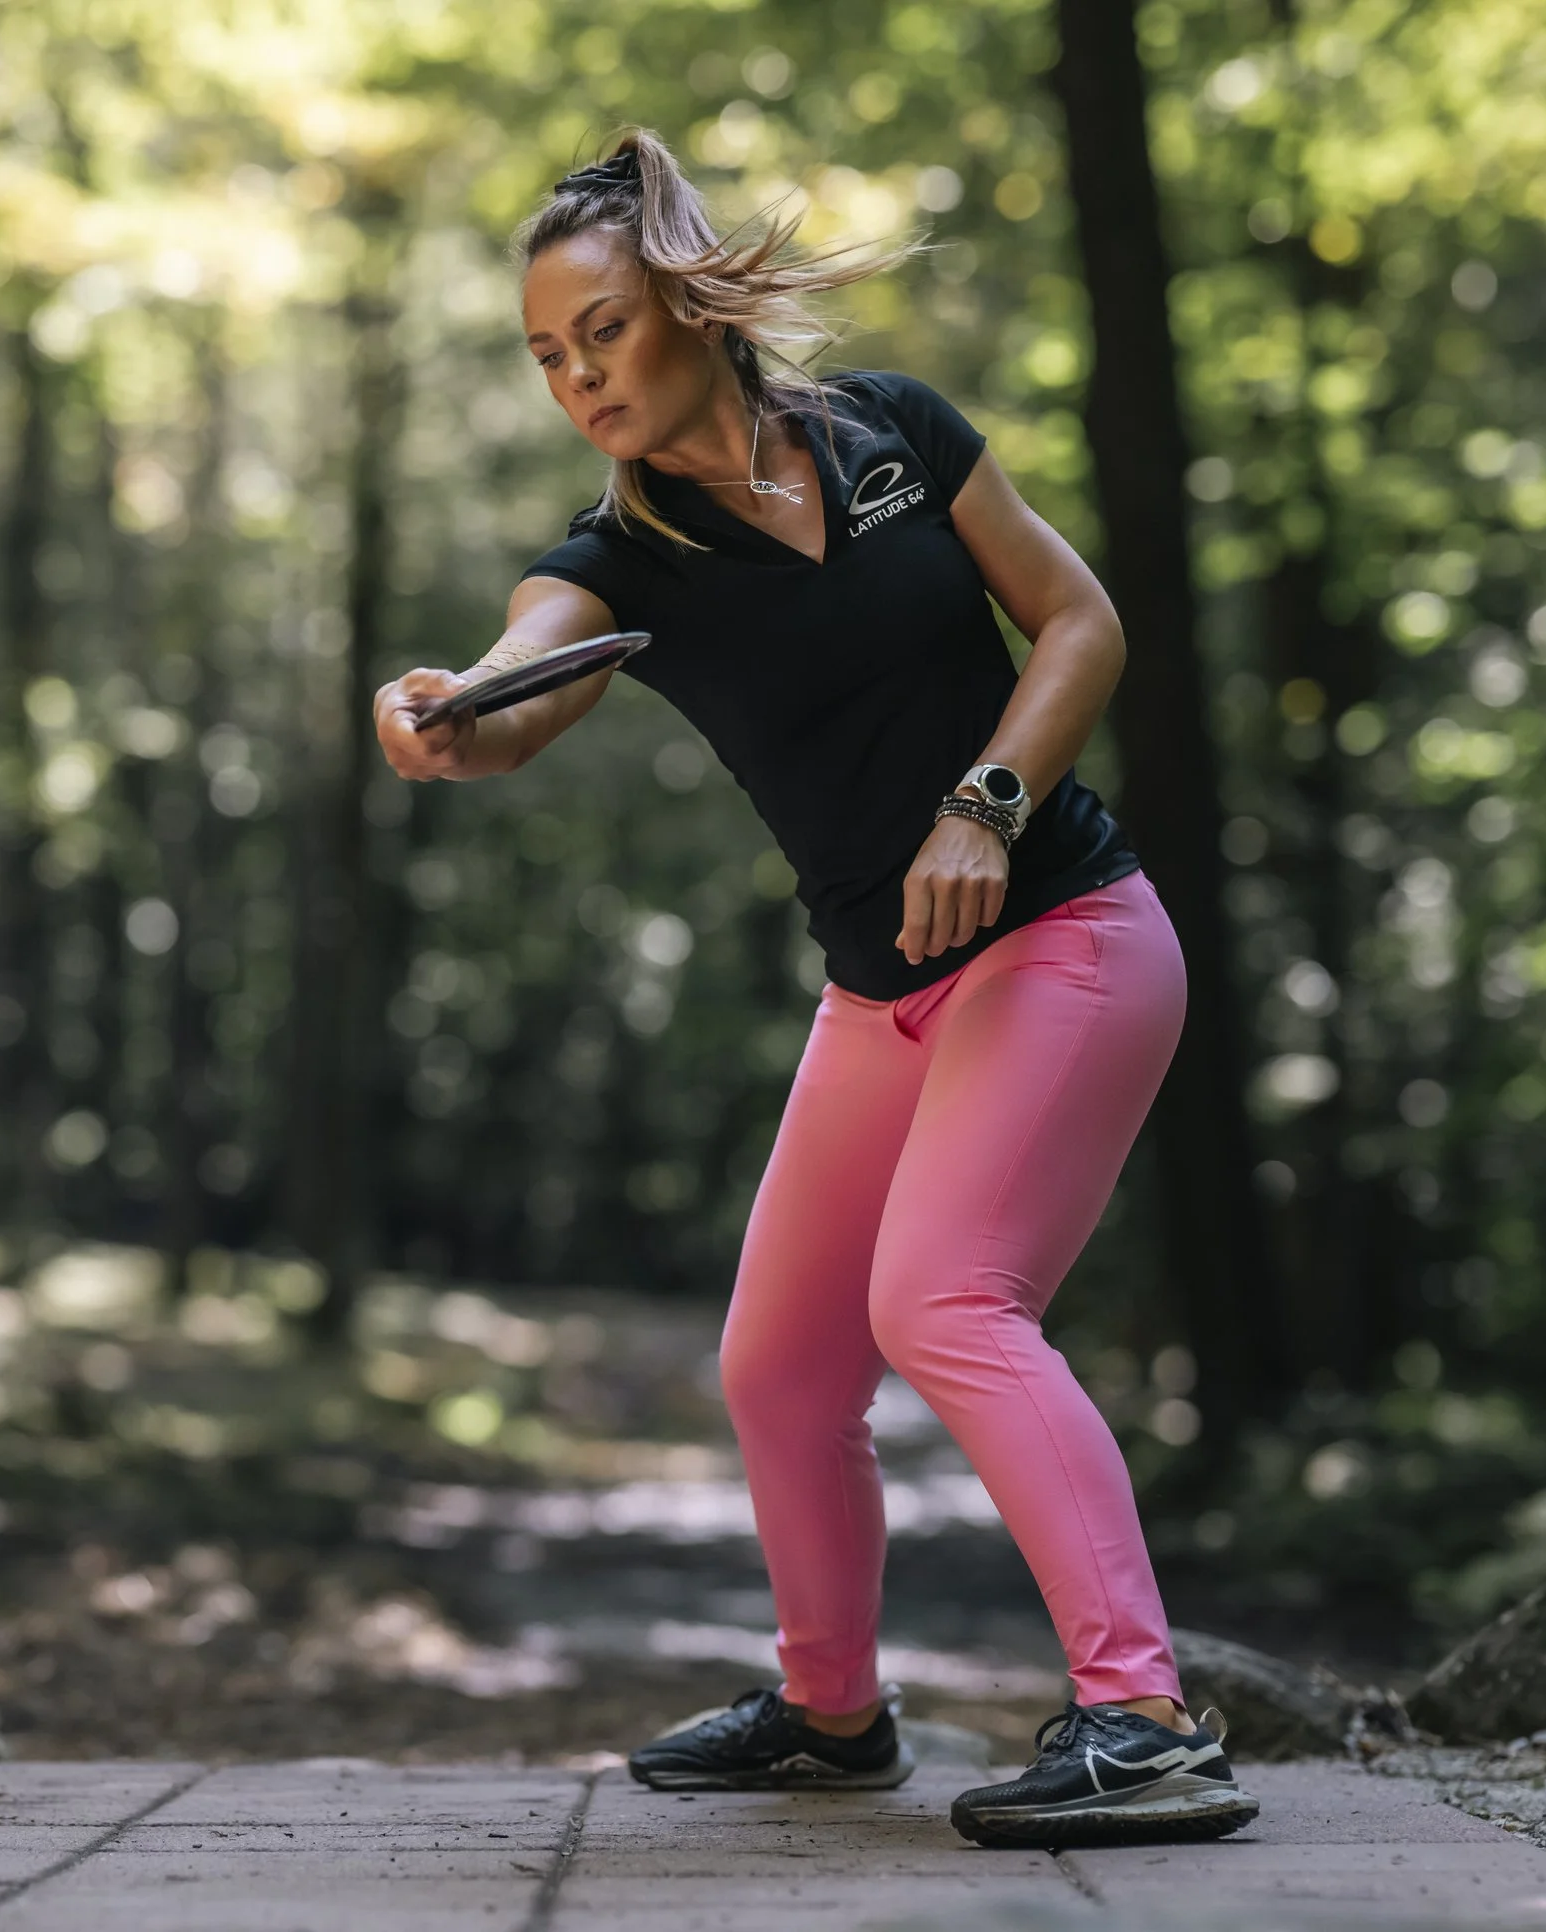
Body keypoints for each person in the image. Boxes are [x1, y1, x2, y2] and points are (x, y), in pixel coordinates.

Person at [371, 128, 1258, 1850]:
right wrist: (441, 715)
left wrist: (985, 805)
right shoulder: (622, 558)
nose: (579, 379)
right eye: (547, 356)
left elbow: (1080, 622)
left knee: (947, 1300)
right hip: (885, 997)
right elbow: (519, 686)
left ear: (693, 309)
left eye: (603, 332)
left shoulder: (894, 435)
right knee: (780, 1366)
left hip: (1070, 936)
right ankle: (833, 1716)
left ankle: (1145, 1719)